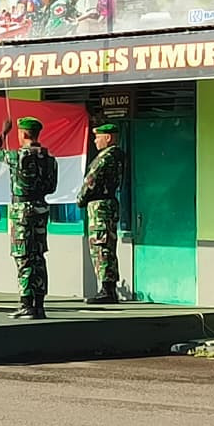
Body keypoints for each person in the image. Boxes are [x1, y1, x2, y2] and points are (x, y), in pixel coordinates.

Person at [0, 117, 57, 319]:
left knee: (23, 257)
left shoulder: (16, 156)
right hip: (41, 208)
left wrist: (2, 135)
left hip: (22, 210)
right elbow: (52, 187)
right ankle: (40, 304)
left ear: (24, 134)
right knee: (38, 256)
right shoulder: (50, 159)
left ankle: (26, 303)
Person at [77, 122, 125, 304]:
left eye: (98, 137)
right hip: (109, 203)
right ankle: (108, 288)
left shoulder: (105, 158)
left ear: (109, 138)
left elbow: (91, 181)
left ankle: (107, 290)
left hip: (100, 206)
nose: (95, 141)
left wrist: (80, 198)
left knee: (101, 245)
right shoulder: (118, 156)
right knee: (107, 245)